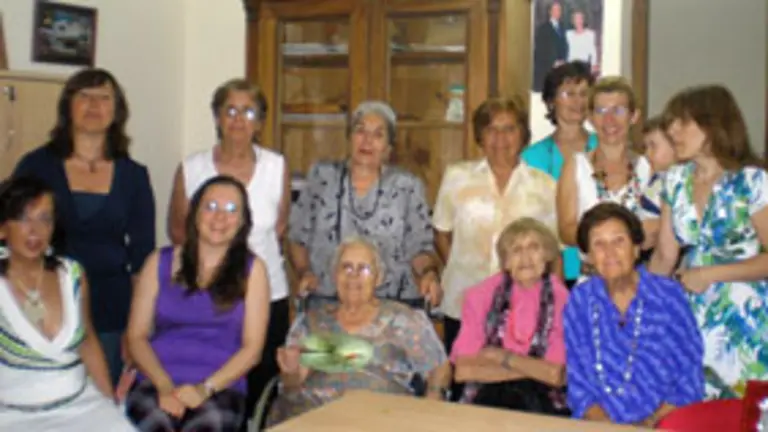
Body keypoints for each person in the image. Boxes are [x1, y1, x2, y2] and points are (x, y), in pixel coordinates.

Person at [12, 68, 156, 385]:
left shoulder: (133, 176)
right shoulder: (36, 166)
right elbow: (12, 236)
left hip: (111, 308)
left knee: (103, 396)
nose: (94, 105)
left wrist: (137, 329)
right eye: (84, 96)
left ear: (117, 110)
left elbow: (143, 259)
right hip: (47, 300)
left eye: (104, 98)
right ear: (68, 105)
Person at [166, 78, 290, 425]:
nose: (238, 120)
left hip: (267, 296)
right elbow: (178, 232)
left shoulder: (276, 166)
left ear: (260, 122)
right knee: (212, 394)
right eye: (230, 110)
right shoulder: (192, 168)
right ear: (217, 118)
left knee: (260, 395)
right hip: (208, 298)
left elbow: (279, 226)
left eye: (248, 112)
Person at [649, 85, 768, 399]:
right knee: (694, 406)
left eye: (683, 122)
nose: (672, 131)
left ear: (713, 126)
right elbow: (664, 256)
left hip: (747, 320)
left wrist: (710, 274)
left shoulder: (752, 182)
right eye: (671, 123)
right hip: (693, 315)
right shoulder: (674, 181)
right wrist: (640, 304)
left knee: (745, 410)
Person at [126, 175, 270, 431]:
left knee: (208, 424)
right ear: (194, 213)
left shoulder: (254, 271)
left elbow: (252, 350)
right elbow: (136, 336)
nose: (219, 217)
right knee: (156, 422)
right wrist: (164, 386)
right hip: (157, 380)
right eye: (211, 206)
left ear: (242, 221)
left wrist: (204, 389)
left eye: (231, 209)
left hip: (221, 386)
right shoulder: (158, 262)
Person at [266, 236, 450, 426]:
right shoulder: (311, 321)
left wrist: (433, 399)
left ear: (378, 278)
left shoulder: (403, 319)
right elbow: (292, 385)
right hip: (315, 418)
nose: (353, 276)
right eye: (346, 268)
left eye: (364, 269)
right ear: (335, 275)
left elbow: (439, 367)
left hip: (381, 420)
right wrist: (290, 371)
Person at [0, 176, 136, 431]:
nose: (35, 230)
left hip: (81, 405)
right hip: (14, 416)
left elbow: (88, 341)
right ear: (3, 228)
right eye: (23, 218)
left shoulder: (72, 273)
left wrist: (110, 402)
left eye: (45, 219)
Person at [434, 96, 559, 357]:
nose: (500, 138)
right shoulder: (457, 177)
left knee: (516, 378)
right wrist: (461, 269)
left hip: (522, 308)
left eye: (509, 129)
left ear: (523, 135)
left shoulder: (544, 186)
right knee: (463, 376)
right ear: (480, 136)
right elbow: (441, 232)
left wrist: (552, 302)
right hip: (462, 301)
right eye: (491, 129)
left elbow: (552, 251)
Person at [288, 100, 441, 309]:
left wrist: (429, 274)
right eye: (360, 131)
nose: (367, 141)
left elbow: (420, 247)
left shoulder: (407, 186)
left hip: (393, 304)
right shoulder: (322, 177)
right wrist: (304, 272)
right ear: (349, 138)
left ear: (388, 147)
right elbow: (297, 237)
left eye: (378, 135)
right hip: (329, 301)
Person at [565, 203, 704, 426]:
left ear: (636, 248)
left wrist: (647, 425)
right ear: (589, 257)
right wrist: (608, 427)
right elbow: (578, 382)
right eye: (599, 244)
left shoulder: (667, 297)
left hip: (663, 423)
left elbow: (689, 379)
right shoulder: (580, 301)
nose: (610, 252)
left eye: (618, 241)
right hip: (597, 425)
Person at [450, 218, 569, 415]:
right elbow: (464, 371)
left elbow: (556, 374)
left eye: (534, 248)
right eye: (516, 250)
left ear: (547, 255)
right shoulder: (480, 295)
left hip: (543, 402)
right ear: (505, 261)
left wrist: (502, 357)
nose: (525, 257)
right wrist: (534, 368)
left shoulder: (561, 299)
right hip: (485, 398)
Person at [557, 76, 651, 279]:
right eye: (601, 111)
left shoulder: (648, 168)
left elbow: (658, 229)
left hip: (639, 281)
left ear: (634, 116)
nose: (609, 120)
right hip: (592, 281)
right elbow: (565, 230)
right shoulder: (576, 166)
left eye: (618, 110)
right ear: (590, 117)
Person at [522, 61, 597, 287]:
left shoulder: (603, 146)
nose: (578, 101)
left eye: (584, 93)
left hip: (600, 265)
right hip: (547, 267)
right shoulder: (531, 157)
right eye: (569, 93)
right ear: (550, 101)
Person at [638, 116, 677, 251]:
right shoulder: (657, 178)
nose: (647, 153)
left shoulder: (679, 183)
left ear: (675, 146)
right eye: (645, 147)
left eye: (653, 146)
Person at [533, 1, 568, 92]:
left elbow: (564, 46)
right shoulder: (543, 29)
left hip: (561, 68)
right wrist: (553, 62)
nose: (557, 12)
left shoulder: (563, 27)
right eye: (555, 10)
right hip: (547, 69)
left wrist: (563, 61)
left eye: (559, 10)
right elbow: (540, 50)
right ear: (550, 12)